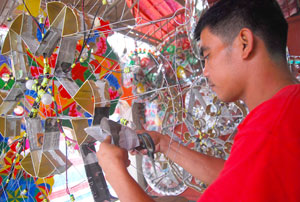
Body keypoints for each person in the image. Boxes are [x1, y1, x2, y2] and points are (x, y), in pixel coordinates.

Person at [96, 0, 300, 201]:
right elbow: (236, 177)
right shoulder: (284, 115)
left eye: (207, 56)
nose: (205, 71)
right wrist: (164, 144)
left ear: (244, 43)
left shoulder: (269, 130)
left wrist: (114, 171)